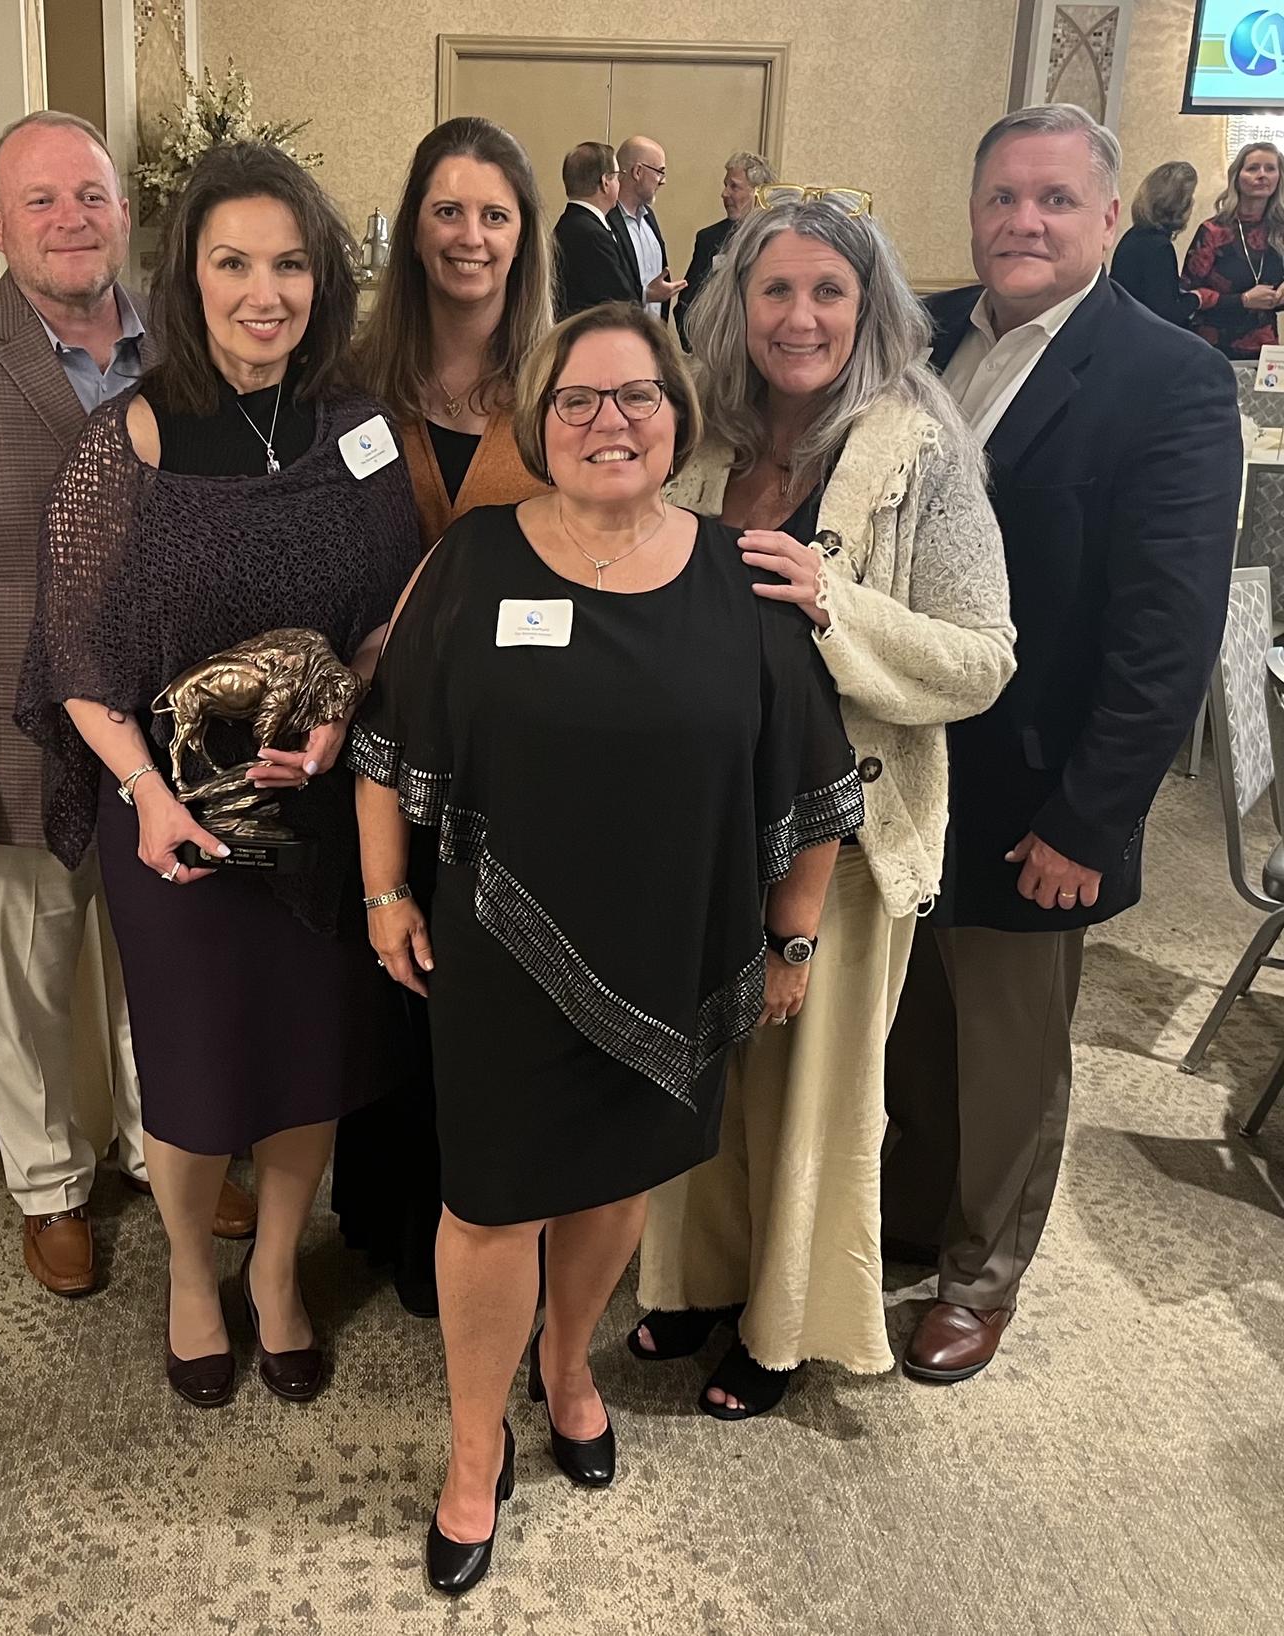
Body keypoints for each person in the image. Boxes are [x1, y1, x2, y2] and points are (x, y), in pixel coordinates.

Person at [353, 302, 860, 1595]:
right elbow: (385, 736)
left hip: (672, 951)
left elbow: (813, 782)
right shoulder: (473, 562)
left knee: (615, 1186)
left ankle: (568, 1364)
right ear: (537, 420)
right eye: (577, 399)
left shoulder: (741, 572)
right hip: (497, 950)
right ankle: (475, 1452)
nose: (608, 422)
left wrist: (789, 941)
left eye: (637, 397)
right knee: (487, 1205)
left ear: (680, 420)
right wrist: (381, 893)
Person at [15, 142, 420, 1409]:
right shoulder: (125, 437)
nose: (265, 291)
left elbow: (391, 608)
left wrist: (349, 708)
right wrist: (143, 794)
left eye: (290, 264)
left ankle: (280, 1275)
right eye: (233, 262)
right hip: (174, 820)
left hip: (314, 811)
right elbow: (74, 654)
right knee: (195, 1078)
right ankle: (195, 1272)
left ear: (323, 278)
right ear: (187, 278)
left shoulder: (356, 429)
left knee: (309, 1062)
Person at [0, 112, 254, 1302]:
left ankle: (158, 1145)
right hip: (8, 737)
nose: (70, 221)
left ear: (125, 214)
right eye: (40, 201)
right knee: (26, 975)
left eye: (89, 197)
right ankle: (50, 1187)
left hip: (174, 731)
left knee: (166, 960)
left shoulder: (194, 350)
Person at [632, 201, 1016, 1419]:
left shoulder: (920, 451)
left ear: (870, 309)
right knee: (699, 1069)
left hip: (840, 836)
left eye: (829, 294)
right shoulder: (701, 440)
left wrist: (834, 602)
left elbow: (982, 657)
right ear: (736, 307)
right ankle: (691, 1277)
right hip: (695, 824)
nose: (801, 318)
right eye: (777, 292)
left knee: (812, 1094)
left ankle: (780, 1323)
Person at [884, 103, 1240, 1383]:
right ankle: (911, 1219)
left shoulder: (1170, 379)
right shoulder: (913, 332)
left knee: (1011, 1050)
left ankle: (982, 1273)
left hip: (1039, 786)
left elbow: (1168, 631)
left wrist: (1093, 819)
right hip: (902, 767)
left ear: (1104, 217)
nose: (1021, 222)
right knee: (911, 1022)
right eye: (1000, 199)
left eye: (1051, 201)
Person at [333, 117, 554, 1317]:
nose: (470, 237)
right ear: (413, 226)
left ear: (524, 237)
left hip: (511, 748)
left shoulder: (565, 381)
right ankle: (385, 1208)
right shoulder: (351, 377)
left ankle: (485, 1213)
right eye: (448, 211)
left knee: (488, 979)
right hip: (367, 737)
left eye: (495, 214)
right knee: (381, 969)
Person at [1182, 140, 1284, 358]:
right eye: (1253, 168)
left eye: (1270, 168)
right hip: (1211, 348)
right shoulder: (1213, 230)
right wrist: (1243, 300)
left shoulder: (1280, 231)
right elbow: (1188, 295)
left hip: (1263, 352)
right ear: (1237, 177)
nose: (1262, 175)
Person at [674, 151, 773, 347]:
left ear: (759, 192)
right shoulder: (709, 239)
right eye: (725, 185)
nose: (724, 193)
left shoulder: (778, 241)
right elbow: (686, 304)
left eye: (734, 186)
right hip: (711, 356)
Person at [1112, 161, 1201, 328]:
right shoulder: (1159, 248)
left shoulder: (1133, 236)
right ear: (1178, 205)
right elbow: (1166, 315)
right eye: (1190, 198)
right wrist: (1196, 298)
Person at [553, 142, 636, 315]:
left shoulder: (570, 223)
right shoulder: (591, 235)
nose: (619, 184)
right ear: (606, 182)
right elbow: (618, 301)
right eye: (618, 176)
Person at [610, 133, 686, 319]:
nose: (663, 180)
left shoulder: (649, 218)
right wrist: (645, 295)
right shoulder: (605, 221)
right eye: (660, 172)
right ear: (638, 172)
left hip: (651, 341)